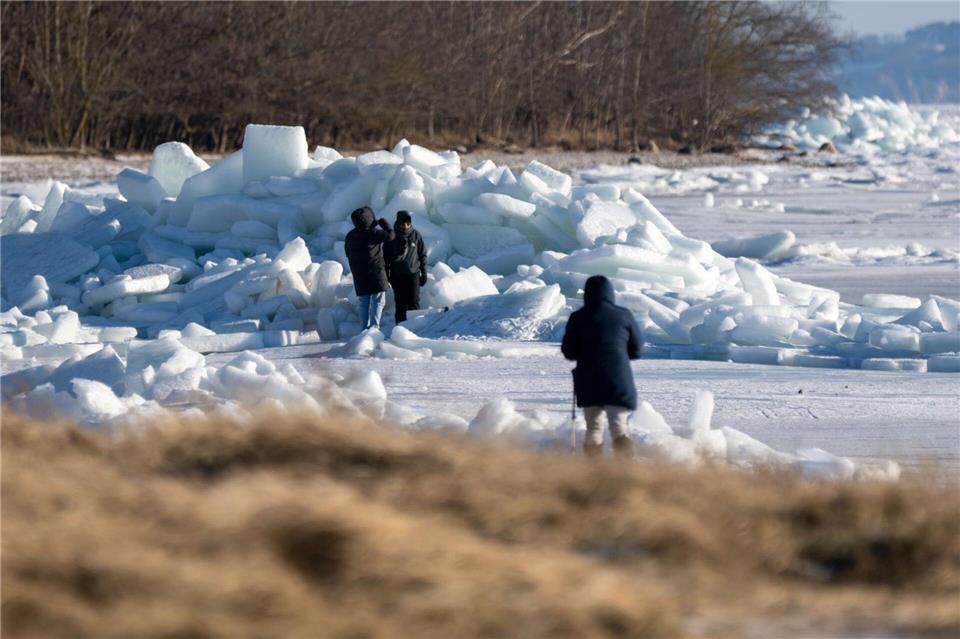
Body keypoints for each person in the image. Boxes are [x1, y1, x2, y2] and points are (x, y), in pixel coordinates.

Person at [561, 275, 643, 459]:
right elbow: (637, 349)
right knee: (619, 426)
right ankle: (625, 466)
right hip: (618, 378)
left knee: (594, 427)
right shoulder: (624, 315)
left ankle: (594, 469)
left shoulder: (578, 317)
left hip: (589, 379)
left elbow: (569, 351)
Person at [344, 206, 394, 330]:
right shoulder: (373, 233)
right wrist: (384, 224)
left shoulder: (350, 235)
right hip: (376, 272)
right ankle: (374, 327)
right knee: (378, 300)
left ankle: (364, 329)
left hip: (359, 274)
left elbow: (347, 253)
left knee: (363, 302)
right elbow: (391, 235)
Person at [384, 210, 428, 325]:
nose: (406, 226)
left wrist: (424, 273)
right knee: (400, 304)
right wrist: (387, 276)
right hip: (397, 275)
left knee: (414, 302)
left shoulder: (415, 235)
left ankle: (415, 327)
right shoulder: (392, 237)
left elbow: (422, 255)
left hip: (413, 274)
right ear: (398, 223)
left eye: (408, 224)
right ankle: (400, 328)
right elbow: (385, 258)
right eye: (403, 224)